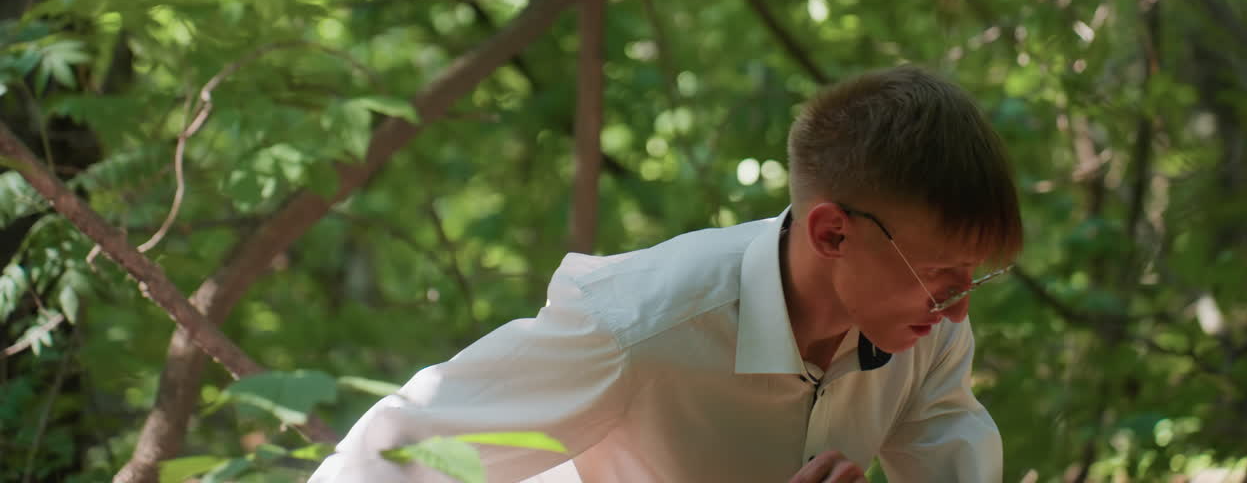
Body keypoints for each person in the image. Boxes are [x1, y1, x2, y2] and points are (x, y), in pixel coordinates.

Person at [310, 65, 1023, 482]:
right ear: (832, 232)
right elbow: (396, 457)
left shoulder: (924, 331)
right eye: (940, 275)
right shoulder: (640, 328)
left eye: (971, 279)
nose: (958, 309)